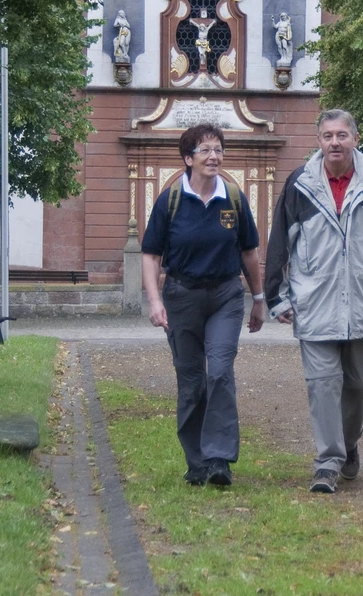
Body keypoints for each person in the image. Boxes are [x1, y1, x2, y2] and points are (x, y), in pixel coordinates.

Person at [265, 109, 363, 493]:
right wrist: (276, 296)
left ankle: (348, 443)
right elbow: (279, 242)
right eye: (328, 136)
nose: (335, 142)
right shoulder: (300, 183)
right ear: (318, 141)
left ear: (356, 138)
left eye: (342, 135)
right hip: (314, 301)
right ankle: (328, 462)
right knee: (323, 384)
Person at [141, 124, 265, 487]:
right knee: (192, 379)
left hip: (226, 295)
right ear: (188, 158)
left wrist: (258, 299)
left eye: (218, 149)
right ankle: (196, 461)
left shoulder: (235, 198)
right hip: (181, 296)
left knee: (221, 372)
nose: (214, 156)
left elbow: (249, 253)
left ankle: (219, 459)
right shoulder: (171, 200)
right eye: (205, 150)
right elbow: (150, 255)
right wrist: (154, 300)